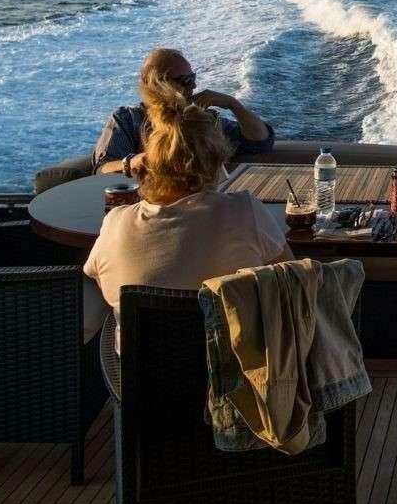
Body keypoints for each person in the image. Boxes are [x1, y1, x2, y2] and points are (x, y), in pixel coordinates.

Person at [84, 68, 290, 340]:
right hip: (238, 376)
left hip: (142, 379)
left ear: (150, 163)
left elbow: (98, 280)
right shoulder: (244, 211)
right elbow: (289, 280)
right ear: (216, 161)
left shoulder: (115, 224)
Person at [94, 48, 273, 176]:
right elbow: (102, 169)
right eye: (184, 80)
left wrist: (233, 104)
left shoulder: (200, 119)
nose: (193, 86)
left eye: (193, 78)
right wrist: (135, 162)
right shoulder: (127, 120)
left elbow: (260, 141)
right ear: (155, 84)